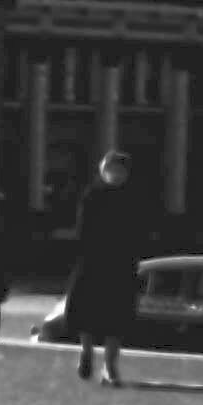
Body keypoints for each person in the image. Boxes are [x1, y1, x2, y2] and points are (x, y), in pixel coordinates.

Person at [64, 151, 148, 387]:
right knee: (86, 312)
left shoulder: (133, 198)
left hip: (120, 265)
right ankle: (87, 352)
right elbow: (82, 230)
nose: (114, 174)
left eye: (119, 170)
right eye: (110, 169)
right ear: (102, 170)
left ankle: (110, 366)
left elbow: (140, 232)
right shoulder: (92, 195)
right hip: (93, 262)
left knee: (116, 318)